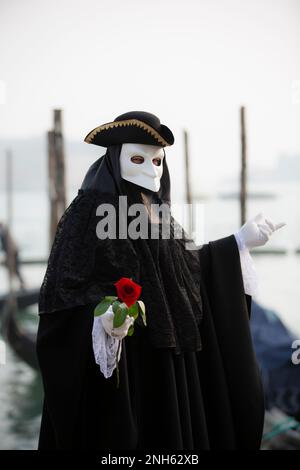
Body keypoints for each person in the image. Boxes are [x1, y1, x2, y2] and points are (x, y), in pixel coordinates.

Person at [36, 110, 285, 450]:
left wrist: (237, 244)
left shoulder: (159, 212)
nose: (150, 168)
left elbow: (188, 267)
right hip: (131, 366)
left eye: (157, 161)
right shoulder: (89, 210)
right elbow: (62, 292)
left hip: (170, 362)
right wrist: (99, 320)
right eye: (138, 158)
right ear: (115, 158)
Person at [0, 222, 26, 290]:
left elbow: (8, 246)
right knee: (13, 269)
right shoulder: (4, 233)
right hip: (11, 253)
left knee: (15, 269)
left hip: (12, 253)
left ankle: (21, 284)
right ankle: (19, 284)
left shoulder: (4, 233)